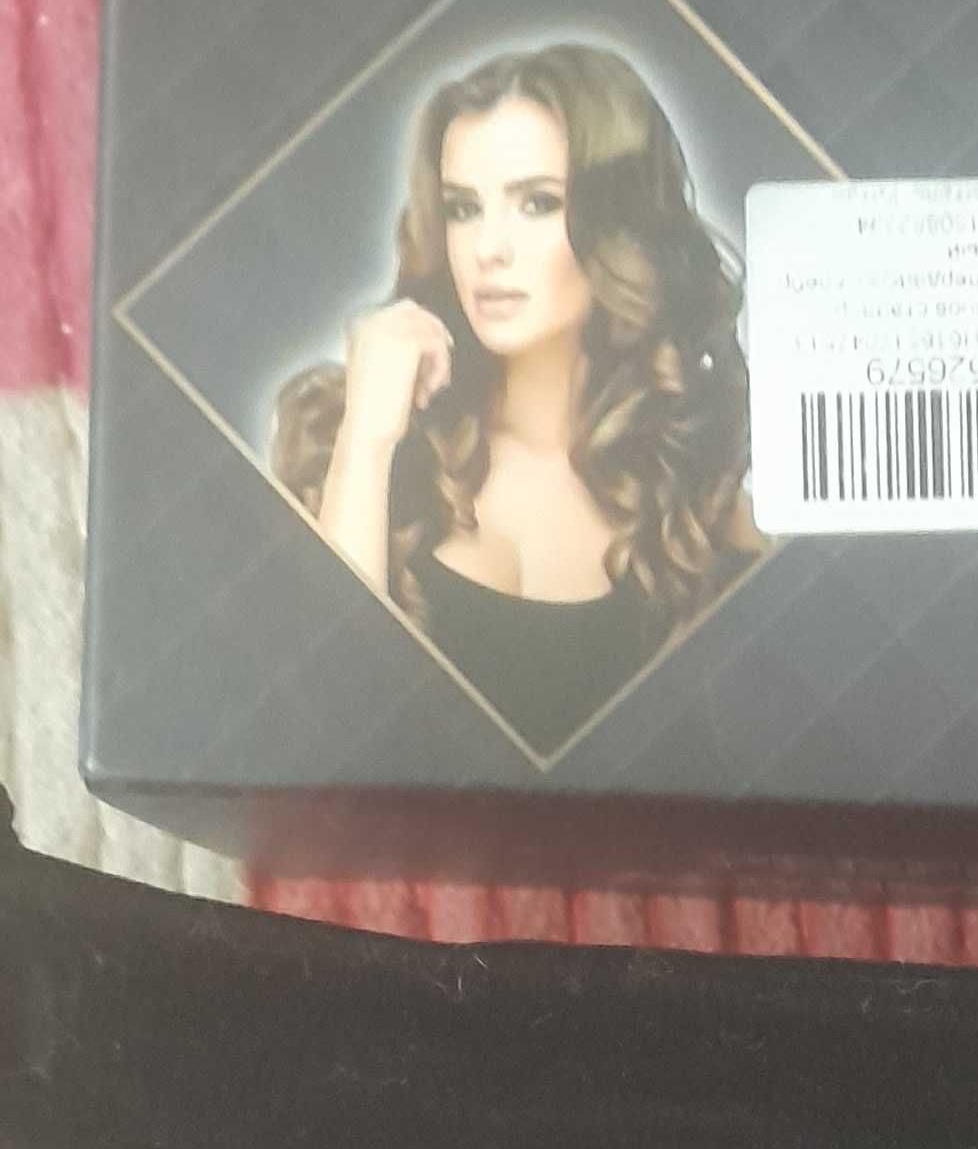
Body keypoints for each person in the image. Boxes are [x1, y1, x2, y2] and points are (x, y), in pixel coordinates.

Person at [271, 40, 756, 734]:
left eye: (536, 203)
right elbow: (316, 720)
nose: (487, 249)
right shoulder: (350, 443)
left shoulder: (700, 503)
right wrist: (367, 442)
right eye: (463, 208)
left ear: (619, 225)